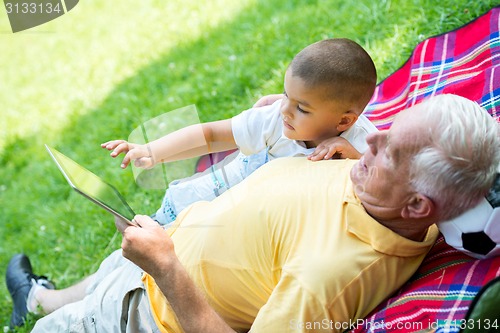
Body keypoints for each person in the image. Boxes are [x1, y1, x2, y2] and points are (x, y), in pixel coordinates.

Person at [6, 94, 499, 332]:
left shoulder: (330, 278)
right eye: (387, 128)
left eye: (390, 150)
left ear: (417, 205)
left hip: (144, 313)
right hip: (165, 245)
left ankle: (42, 311)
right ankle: (38, 300)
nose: (371, 139)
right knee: (98, 278)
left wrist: (165, 265)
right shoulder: (383, 188)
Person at [101, 38, 378, 225]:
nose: (284, 110)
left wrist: (353, 159)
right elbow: (210, 135)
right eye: (285, 95)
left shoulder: (362, 144)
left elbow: (381, 190)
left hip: (259, 220)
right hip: (219, 196)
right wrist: (153, 151)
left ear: (343, 122)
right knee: (166, 228)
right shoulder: (275, 119)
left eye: (301, 108)